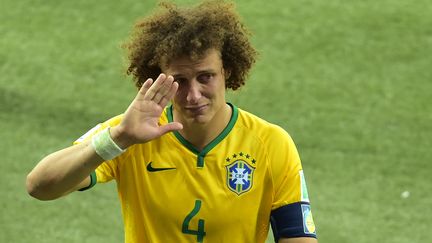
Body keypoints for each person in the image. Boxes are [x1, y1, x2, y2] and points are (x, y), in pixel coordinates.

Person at [26, 1, 318, 242]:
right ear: (157, 79)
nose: (193, 95)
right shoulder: (129, 134)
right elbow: (40, 186)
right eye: (179, 80)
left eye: (206, 77)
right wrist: (118, 139)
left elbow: (298, 238)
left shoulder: (271, 144)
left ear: (227, 70)